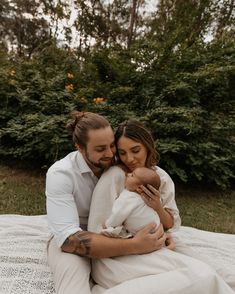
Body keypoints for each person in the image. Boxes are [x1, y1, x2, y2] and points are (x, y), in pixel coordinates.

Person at [88, 119, 234, 293]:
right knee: (204, 275)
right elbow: (97, 230)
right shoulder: (114, 176)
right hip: (117, 256)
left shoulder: (160, 177)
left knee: (224, 275)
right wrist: (139, 243)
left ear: (148, 146)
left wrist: (157, 207)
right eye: (122, 153)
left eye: (135, 150)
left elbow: (169, 224)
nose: (130, 159)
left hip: (158, 242)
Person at [46, 111, 168, 294]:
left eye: (112, 146)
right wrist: (136, 245)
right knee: (73, 288)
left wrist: (159, 233)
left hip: (121, 234)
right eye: (100, 148)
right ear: (80, 147)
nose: (110, 154)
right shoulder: (61, 174)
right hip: (77, 240)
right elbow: (68, 240)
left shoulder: (121, 165)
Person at [101, 167, 161, 238]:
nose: (128, 174)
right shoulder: (145, 199)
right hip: (156, 226)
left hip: (145, 232)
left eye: (132, 175)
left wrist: (108, 224)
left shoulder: (128, 198)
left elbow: (119, 213)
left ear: (139, 188)